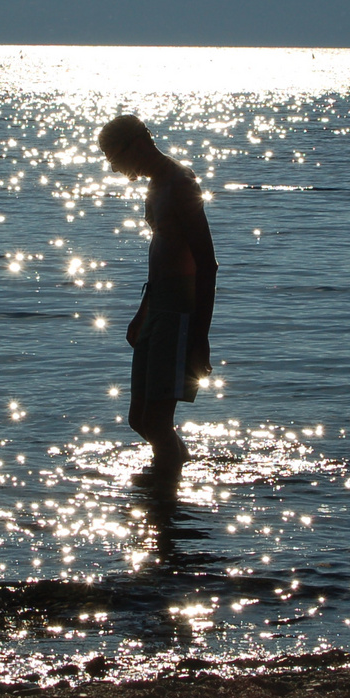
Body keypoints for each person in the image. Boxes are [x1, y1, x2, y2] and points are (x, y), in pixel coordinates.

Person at [97, 115, 218, 472]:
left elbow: (206, 263)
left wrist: (200, 336)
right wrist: (143, 312)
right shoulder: (156, 184)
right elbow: (163, 256)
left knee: (156, 422)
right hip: (157, 308)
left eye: (112, 157)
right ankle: (167, 488)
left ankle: (167, 506)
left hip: (180, 313)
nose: (113, 167)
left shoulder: (180, 182)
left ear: (134, 144)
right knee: (140, 419)